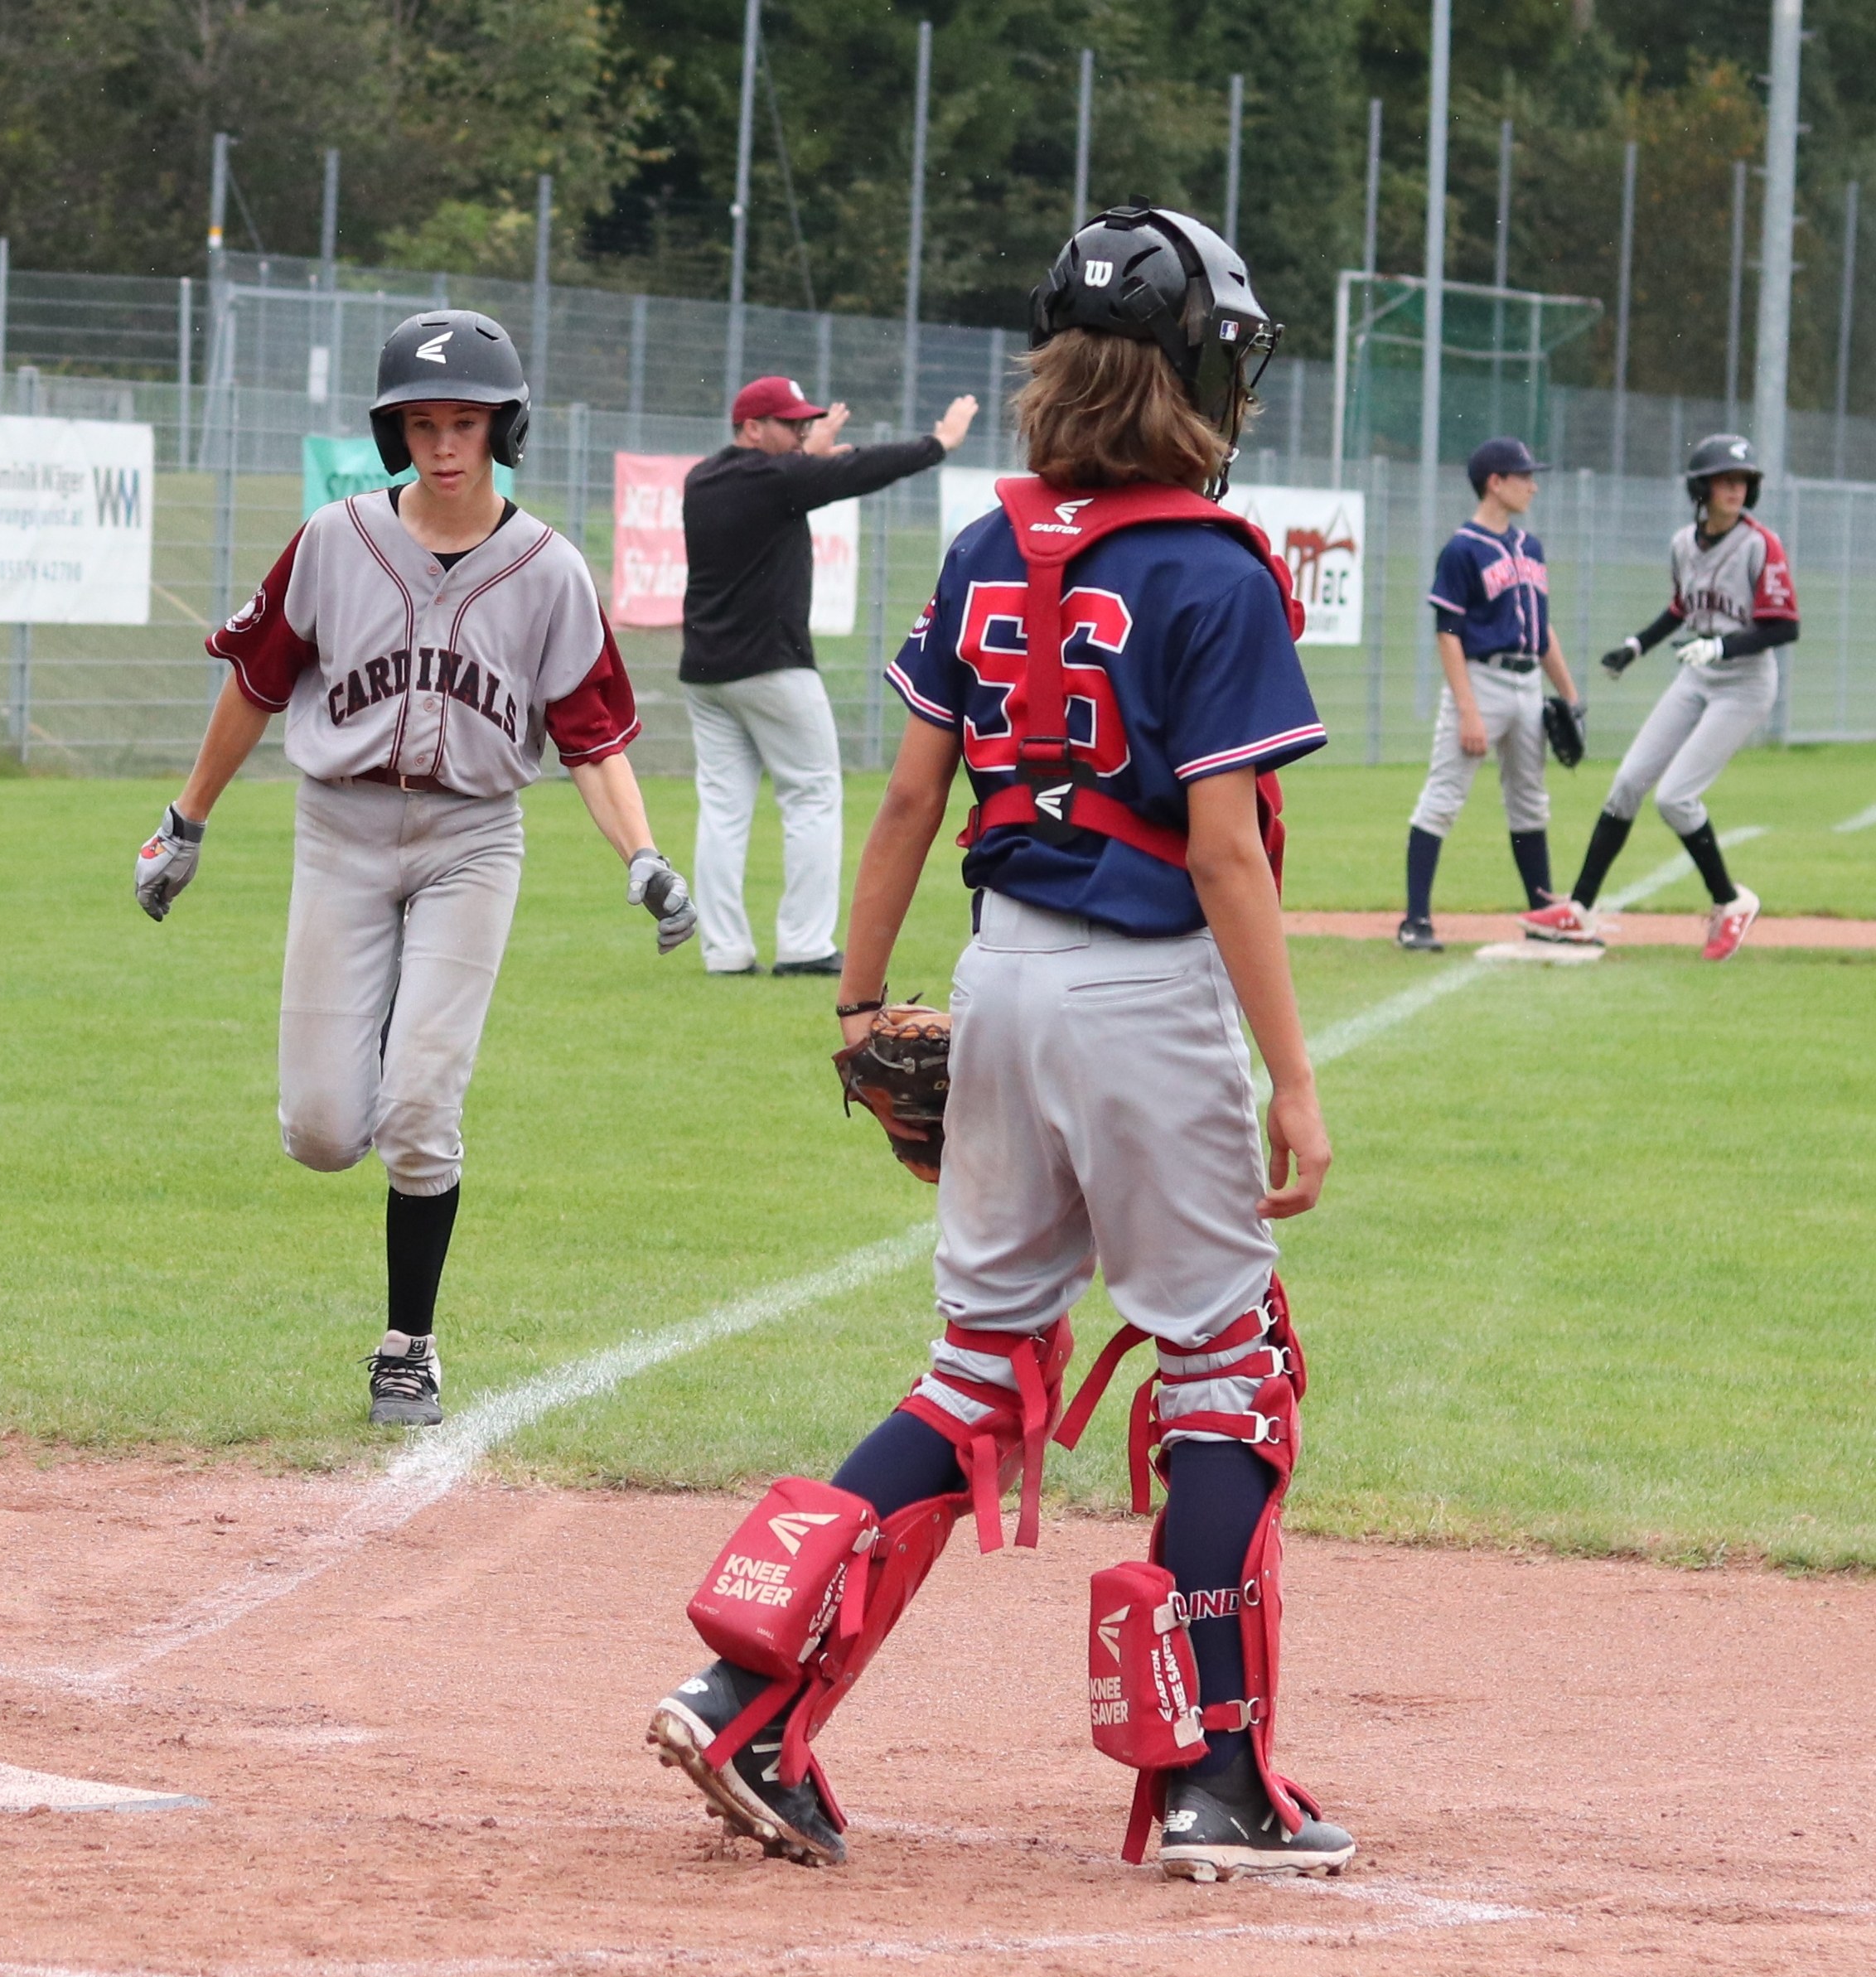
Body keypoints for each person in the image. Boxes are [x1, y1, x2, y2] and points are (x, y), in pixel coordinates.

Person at [648, 205, 1355, 1884]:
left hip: (998, 979)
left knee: (977, 1369)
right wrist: (1294, 1075)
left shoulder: (988, 544)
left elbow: (909, 798)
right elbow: (1225, 851)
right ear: (1190, 377)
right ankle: (1217, 1780)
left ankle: (748, 1697)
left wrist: (855, 1003)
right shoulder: (1212, 565)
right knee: (1228, 1372)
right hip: (1143, 996)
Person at [133, 310, 695, 1426]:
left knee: (422, 1109)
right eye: (423, 422)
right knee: (322, 1133)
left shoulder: (549, 570)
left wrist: (643, 858)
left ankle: (409, 1347)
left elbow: (590, 739)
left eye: (466, 422)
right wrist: (184, 821)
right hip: (339, 830)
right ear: (394, 432)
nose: (445, 444)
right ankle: (391, 1035)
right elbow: (254, 685)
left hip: (471, 841)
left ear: (503, 429)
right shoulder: (334, 540)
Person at [679, 375, 978, 975]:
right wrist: (938, 444)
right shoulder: (779, 480)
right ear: (752, 427)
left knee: (723, 809)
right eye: (790, 424)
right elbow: (859, 470)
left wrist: (805, 458)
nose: (801, 433)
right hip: (773, 667)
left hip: (705, 672)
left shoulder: (703, 478)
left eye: (805, 425)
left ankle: (725, 951)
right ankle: (805, 944)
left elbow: (797, 475)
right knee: (812, 795)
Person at [1522, 434, 1797, 961]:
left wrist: (1720, 646)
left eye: (1742, 481)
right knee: (1627, 783)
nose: (1735, 489)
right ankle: (1579, 910)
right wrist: (1635, 647)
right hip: (1697, 678)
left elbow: (1785, 626)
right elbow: (1681, 608)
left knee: (1675, 798)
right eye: (1724, 480)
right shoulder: (1683, 544)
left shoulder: (1761, 544)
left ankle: (1731, 902)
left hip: (1745, 685)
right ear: (1701, 488)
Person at [1395, 437, 1583, 953]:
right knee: (1442, 799)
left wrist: (1570, 696)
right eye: (1524, 476)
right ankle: (1415, 921)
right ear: (1495, 483)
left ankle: (1543, 916)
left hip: (1529, 683)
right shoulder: (1462, 549)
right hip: (1480, 681)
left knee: (1530, 803)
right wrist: (1468, 712)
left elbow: (1543, 629)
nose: (1533, 486)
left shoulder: (1531, 547)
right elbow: (1448, 633)